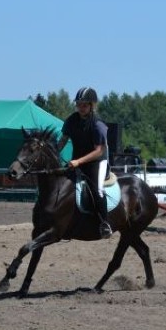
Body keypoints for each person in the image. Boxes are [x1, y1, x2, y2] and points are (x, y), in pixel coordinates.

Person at [56, 86, 112, 238]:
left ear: (92, 106)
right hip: (77, 161)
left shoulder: (97, 124)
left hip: (97, 161)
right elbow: (62, 141)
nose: (80, 107)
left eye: (84, 105)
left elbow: (99, 151)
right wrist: (53, 153)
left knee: (97, 189)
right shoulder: (71, 120)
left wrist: (78, 162)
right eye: (78, 104)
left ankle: (105, 223)